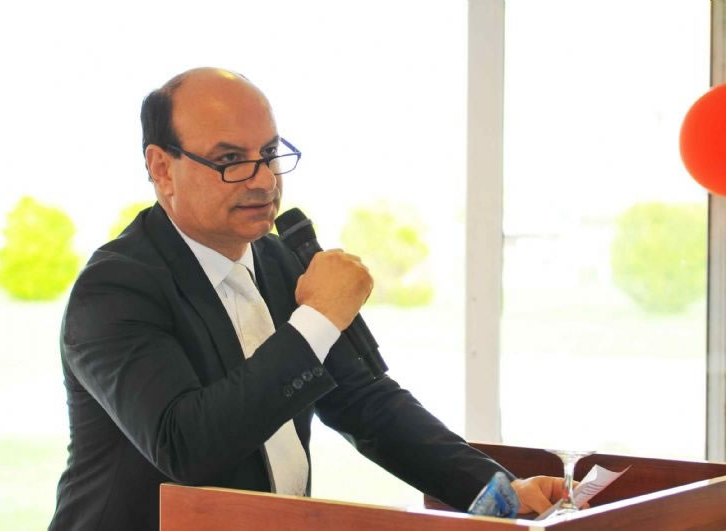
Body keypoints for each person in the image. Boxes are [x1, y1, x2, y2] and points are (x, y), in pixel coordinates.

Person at [49, 67, 565, 530]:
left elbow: (366, 404)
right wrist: (318, 318)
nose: (264, 180)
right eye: (231, 160)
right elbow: (186, 447)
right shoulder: (115, 288)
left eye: (270, 154)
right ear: (163, 168)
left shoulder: (279, 261)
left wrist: (500, 490)